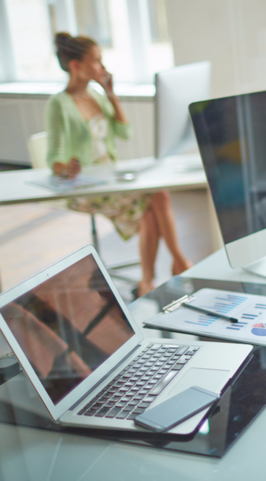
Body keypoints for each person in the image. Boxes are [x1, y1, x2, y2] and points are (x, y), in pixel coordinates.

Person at [46, 33, 192, 298]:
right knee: (157, 197)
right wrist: (66, 168)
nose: (103, 67)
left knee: (153, 204)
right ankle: (178, 263)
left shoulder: (97, 96)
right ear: (76, 66)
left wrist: (111, 95)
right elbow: (52, 158)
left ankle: (148, 282)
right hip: (83, 187)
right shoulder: (59, 104)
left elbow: (124, 133)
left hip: (109, 178)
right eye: (97, 61)